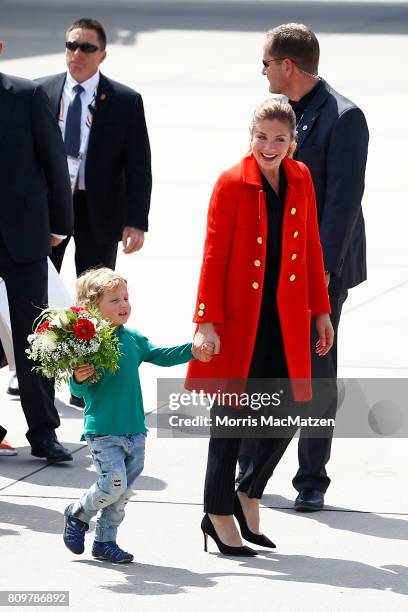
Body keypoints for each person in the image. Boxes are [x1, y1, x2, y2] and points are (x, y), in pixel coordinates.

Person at [187, 98, 333, 556]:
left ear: (292, 141)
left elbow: (310, 247)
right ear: (250, 136)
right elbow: (213, 255)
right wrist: (206, 322)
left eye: (279, 139)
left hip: (286, 319)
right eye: (262, 137)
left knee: (289, 409)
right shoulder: (231, 182)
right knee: (230, 421)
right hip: (238, 321)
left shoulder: (301, 177)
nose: (269, 147)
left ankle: (248, 492)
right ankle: (217, 513)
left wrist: (321, 311)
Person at [238, 23, 369, 512]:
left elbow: (342, 204)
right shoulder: (276, 115)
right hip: (270, 264)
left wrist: (325, 278)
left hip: (320, 269)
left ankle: (312, 477)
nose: (263, 71)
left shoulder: (344, 117)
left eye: (267, 63)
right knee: (263, 361)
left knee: (316, 369)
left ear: (287, 66)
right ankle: (249, 464)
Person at [37, 17, 152, 407]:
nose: (77, 54)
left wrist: (136, 220)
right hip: (50, 208)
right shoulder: (41, 92)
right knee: (39, 292)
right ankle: (36, 375)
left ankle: (83, 381)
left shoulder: (124, 100)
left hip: (98, 210)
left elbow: (138, 164)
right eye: (71, 45)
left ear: (102, 54)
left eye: (86, 48)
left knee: (94, 299)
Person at [63, 268, 213, 563]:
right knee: (113, 483)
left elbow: (162, 355)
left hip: (135, 429)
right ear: (92, 307)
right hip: (103, 429)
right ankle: (78, 513)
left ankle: (106, 541)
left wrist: (192, 350)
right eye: (114, 300)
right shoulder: (87, 344)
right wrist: (78, 378)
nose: (124, 305)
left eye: (126, 298)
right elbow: (77, 391)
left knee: (123, 492)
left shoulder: (132, 339)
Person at [0, 41, 74, 462]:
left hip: (23, 237)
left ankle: (44, 432)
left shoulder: (26, 95)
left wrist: (61, 225)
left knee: (37, 340)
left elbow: (53, 160)